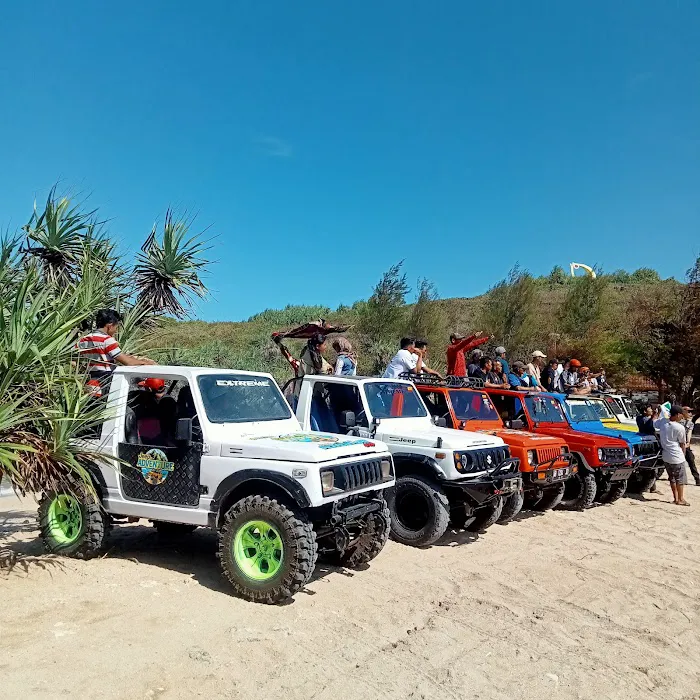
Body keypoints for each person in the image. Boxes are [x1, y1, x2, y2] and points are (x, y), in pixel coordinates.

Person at [77, 309, 155, 395]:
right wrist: (145, 363)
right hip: (105, 381)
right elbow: (128, 362)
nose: (116, 331)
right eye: (116, 327)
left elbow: (72, 359)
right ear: (110, 326)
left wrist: (84, 370)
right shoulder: (107, 340)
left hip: (89, 380)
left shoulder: (83, 340)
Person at [655, 405, 690, 506]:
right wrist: (683, 455)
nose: (682, 417)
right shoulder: (679, 427)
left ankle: (675, 498)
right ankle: (681, 499)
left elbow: (654, 422)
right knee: (680, 479)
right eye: (681, 415)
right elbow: (682, 444)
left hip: (666, 455)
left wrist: (657, 412)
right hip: (676, 456)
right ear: (678, 415)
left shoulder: (663, 422)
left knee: (672, 478)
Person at [682, 406, 700, 486]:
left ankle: (697, 479)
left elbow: (689, 433)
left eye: (691, 412)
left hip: (685, 445)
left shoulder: (690, 423)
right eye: (688, 411)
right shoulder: (677, 421)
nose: (690, 413)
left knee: (691, 461)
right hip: (677, 445)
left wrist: (688, 442)